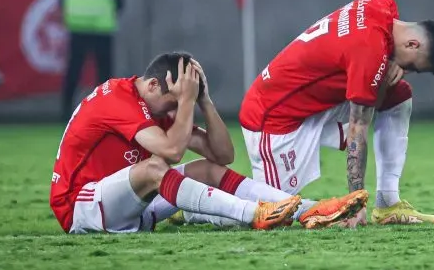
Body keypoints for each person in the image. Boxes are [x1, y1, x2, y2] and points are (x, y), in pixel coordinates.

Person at [50, 52, 367, 234]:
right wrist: (185, 101)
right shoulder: (118, 100)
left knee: (207, 169)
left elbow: (223, 155)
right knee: (156, 167)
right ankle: (252, 214)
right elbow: (172, 151)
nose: (176, 113)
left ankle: (310, 210)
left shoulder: (158, 103)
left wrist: (203, 101)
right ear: (152, 84)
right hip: (82, 208)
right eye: (172, 103)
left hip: (128, 208)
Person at [238, 0, 434, 226]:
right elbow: (358, 128)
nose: (405, 71)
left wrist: (389, 62)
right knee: (270, 215)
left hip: (313, 107)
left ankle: (388, 203)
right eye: (411, 66)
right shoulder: (370, 50)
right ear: (412, 44)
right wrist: (356, 203)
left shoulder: (382, 3)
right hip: (273, 120)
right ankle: (200, 202)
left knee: (398, 95)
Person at [58, 0, 122, 121]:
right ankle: (105, 113)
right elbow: (120, 1)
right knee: (104, 73)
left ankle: (64, 112)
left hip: (76, 25)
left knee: (73, 70)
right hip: (102, 27)